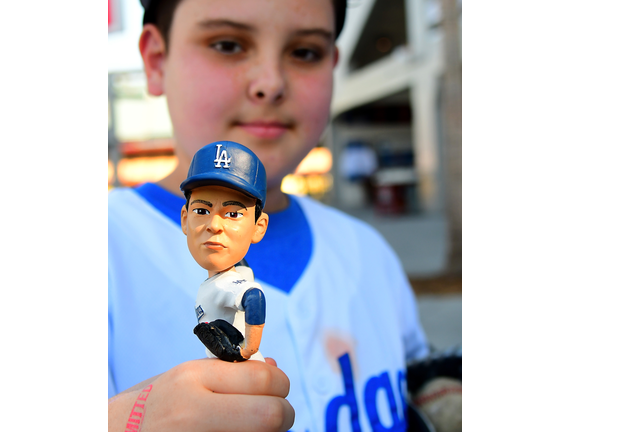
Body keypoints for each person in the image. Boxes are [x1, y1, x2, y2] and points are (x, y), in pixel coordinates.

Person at [108, 0, 431, 431]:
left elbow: (421, 384)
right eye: (227, 44)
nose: (271, 83)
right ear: (156, 60)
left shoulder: (369, 251)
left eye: (305, 53)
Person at [182, 141, 270, 363]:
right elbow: (244, 272)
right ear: (185, 219)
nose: (214, 225)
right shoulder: (238, 272)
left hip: (239, 374)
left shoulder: (225, 284)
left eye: (232, 214)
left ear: (258, 227)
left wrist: (247, 349)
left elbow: (254, 297)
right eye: (201, 211)